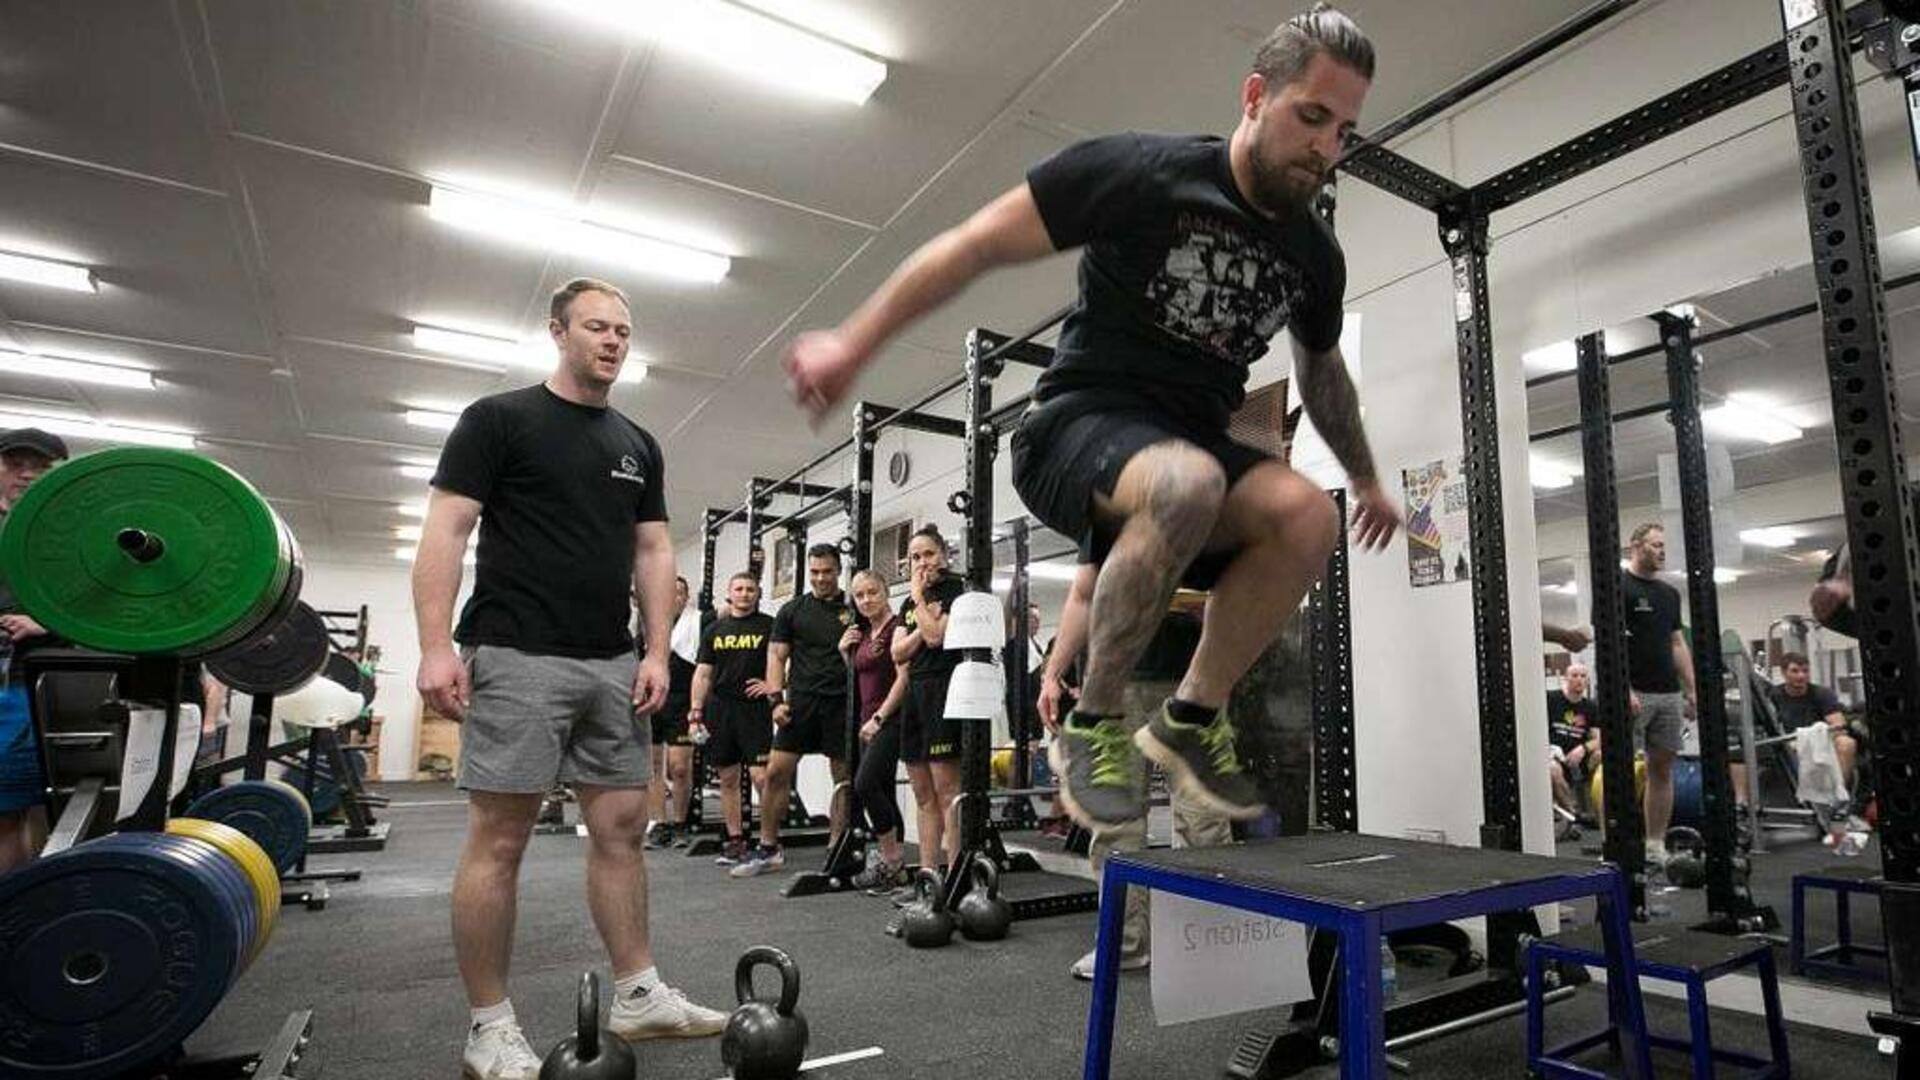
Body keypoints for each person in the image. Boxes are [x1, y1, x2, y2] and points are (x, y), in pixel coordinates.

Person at [783, 6, 1400, 834]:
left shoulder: (1312, 254)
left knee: (1304, 517)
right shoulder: (1144, 174)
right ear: (1255, 95)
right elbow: (974, 244)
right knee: (1188, 480)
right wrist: (852, 347)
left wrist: (1361, 477)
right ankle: (1096, 721)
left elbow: (1320, 370)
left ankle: (1190, 717)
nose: (1327, 148)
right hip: (1076, 426)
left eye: (1345, 132)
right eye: (1312, 117)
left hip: (1188, 445)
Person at [412, 278, 724, 1079]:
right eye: (596, 326)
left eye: (623, 329)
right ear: (557, 331)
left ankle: (640, 993)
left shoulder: (635, 442)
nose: (614, 340)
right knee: (502, 838)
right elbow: (447, 528)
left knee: (622, 829)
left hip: (611, 662)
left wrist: (656, 651)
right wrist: (435, 645)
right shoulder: (499, 420)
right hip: (517, 652)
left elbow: (653, 551)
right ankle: (489, 1027)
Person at [1041, 572, 1230, 980]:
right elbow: (1083, 592)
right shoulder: (1103, 517)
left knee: (1203, 820)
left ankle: (1214, 940)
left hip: (1189, 681)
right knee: (1114, 824)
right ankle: (1124, 945)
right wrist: (1052, 673)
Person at [733, 544, 855, 877]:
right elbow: (776, 657)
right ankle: (769, 847)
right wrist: (775, 700)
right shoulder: (793, 610)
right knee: (775, 773)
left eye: (827, 571)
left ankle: (836, 849)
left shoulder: (853, 606)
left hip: (841, 703)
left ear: (838, 570)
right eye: (814, 572)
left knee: (843, 778)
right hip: (800, 704)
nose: (820, 578)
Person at [0, 428, 68, 873]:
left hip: (25, 684)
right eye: (16, 464)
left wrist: (45, 623)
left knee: (12, 814)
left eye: (40, 468)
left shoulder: (60, 537)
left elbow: (96, 607)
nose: (27, 474)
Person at [891, 525, 966, 872]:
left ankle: (954, 876)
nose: (922, 562)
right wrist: (922, 621)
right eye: (915, 557)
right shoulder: (909, 600)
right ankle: (927, 876)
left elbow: (937, 638)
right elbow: (898, 653)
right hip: (915, 693)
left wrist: (920, 602)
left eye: (928, 554)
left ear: (944, 555)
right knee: (923, 795)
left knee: (947, 793)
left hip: (944, 690)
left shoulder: (957, 590)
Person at [689, 572, 777, 868]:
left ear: (758, 593)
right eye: (739, 589)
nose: (744, 594)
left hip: (755, 710)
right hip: (721, 709)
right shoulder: (715, 629)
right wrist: (695, 711)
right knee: (727, 778)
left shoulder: (770, 626)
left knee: (762, 778)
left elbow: (786, 660)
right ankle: (736, 840)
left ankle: (769, 842)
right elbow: (702, 673)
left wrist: (774, 686)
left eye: (750, 589)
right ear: (730, 593)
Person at [1621, 523, 1695, 868]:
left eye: (1664, 546)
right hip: (1634, 693)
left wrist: (1691, 688)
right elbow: (1608, 642)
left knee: (1661, 770)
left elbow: (1677, 643)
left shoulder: (1669, 594)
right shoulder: (1618, 587)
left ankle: (1654, 844)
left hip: (1667, 693)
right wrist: (1622, 687)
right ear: (1635, 546)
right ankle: (1620, 843)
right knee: (1619, 769)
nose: (1662, 551)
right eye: (1655, 545)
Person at [843, 568, 912, 891]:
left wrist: (880, 718)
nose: (866, 599)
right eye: (859, 595)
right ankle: (894, 869)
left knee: (865, 784)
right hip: (867, 720)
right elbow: (863, 676)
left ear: (886, 592)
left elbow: (904, 678)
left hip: (890, 719)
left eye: (872, 592)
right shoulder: (863, 634)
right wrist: (846, 653)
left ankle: (892, 861)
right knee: (881, 789)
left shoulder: (897, 628)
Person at [1768, 651, 1868, 844]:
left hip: (1821, 745)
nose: (1801, 676)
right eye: (1795, 671)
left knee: (1847, 743)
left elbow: (1838, 726)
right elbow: (1769, 726)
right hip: (1787, 746)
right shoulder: (1773, 695)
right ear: (1783, 673)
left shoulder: (1822, 694)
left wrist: (1816, 738)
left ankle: (1837, 804)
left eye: (1805, 671)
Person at [644, 577, 700, 849]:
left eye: (679, 593)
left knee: (679, 768)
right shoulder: (646, 625)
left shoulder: (697, 622)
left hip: (682, 701)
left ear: (686, 597)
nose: (673, 597)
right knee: (652, 767)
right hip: (652, 701)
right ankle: (659, 823)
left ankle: (680, 823)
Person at [1546, 663, 1597, 822]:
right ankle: (1573, 815)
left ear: (1587, 681)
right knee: (1552, 769)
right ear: (1566, 678)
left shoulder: (1591, 707)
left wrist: (1582, 749)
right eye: (1574, 676)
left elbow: (1599, 738)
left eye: (1583, 676)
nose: (1579, 680)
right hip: (1554, 756)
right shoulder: (1551, 699)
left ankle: (1597, 812)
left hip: (1578, 759)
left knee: (1600, 755)